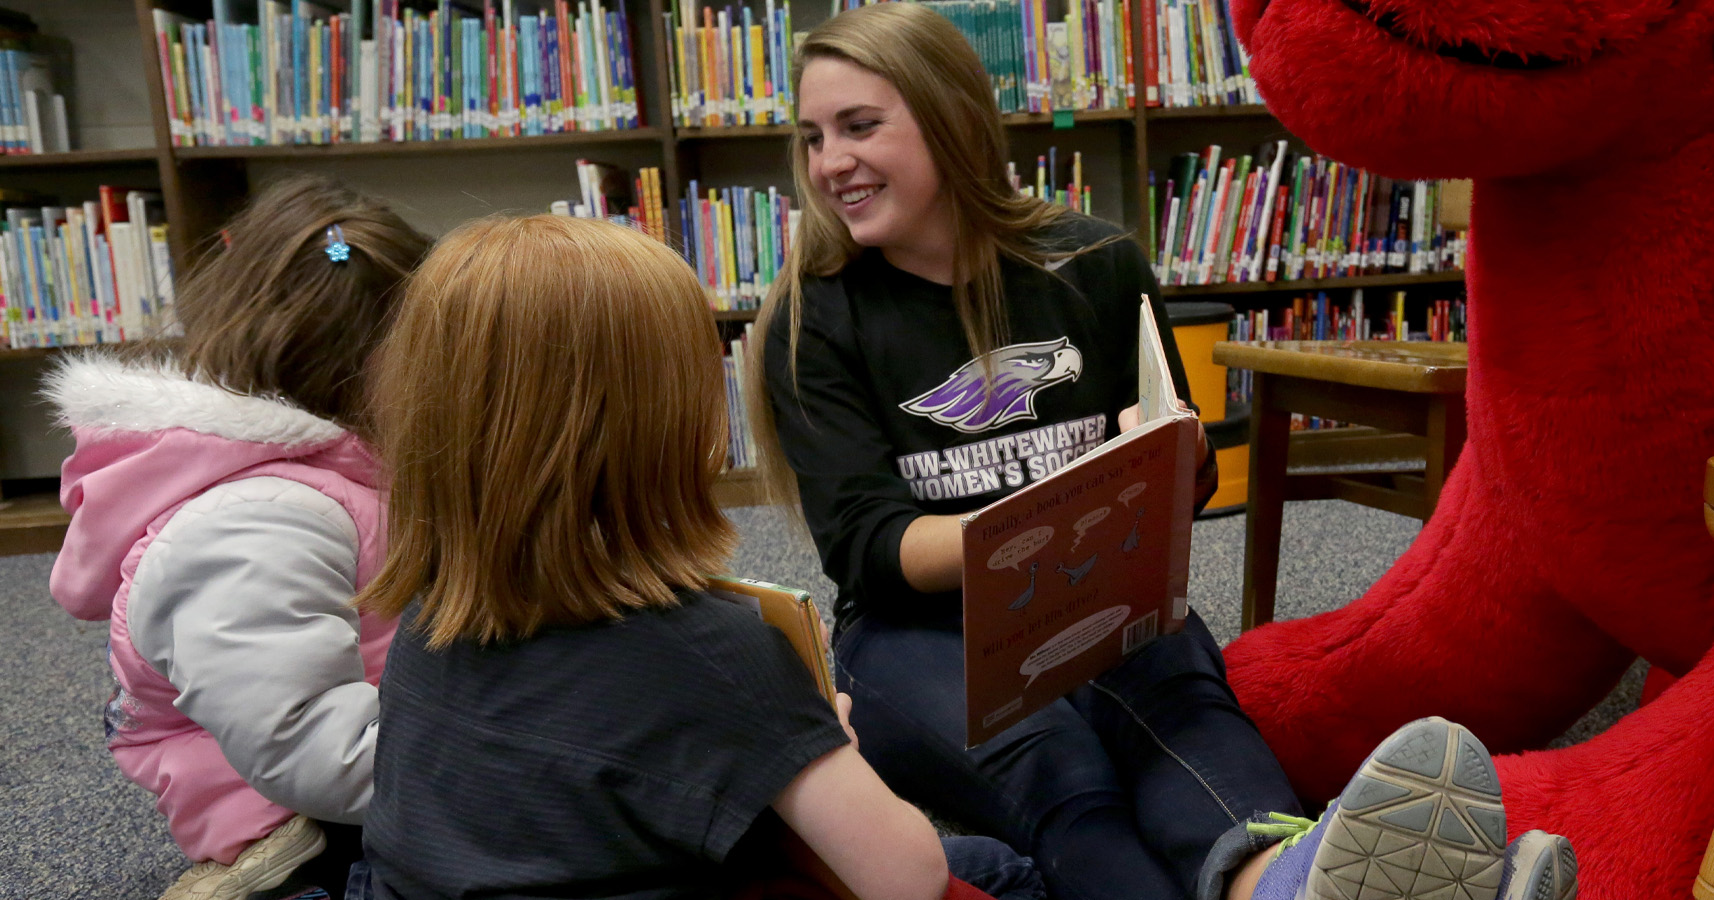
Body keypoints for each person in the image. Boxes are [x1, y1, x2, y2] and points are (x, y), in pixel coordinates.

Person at [751, 6, 1578, 900]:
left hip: (1097, 582)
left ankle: (1276, 880)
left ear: (949, 117)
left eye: (860, 126)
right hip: (912, 632)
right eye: (812, 137)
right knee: (1059, 763)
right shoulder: (812, 321)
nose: (830, 162)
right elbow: (869, 548)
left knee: (1179, 694)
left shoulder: (1095, 263)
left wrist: (1164, 467)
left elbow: (1185, 480)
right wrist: (1045, 521)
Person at [356, 214, 1046, 900]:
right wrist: (819, 739)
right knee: (998, 873)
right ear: (665, 424)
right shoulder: (720, 655)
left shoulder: (426, 619)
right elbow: (909, 879)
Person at [45, 175, 431, 900]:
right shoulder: (250, 522)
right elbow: (306, 745)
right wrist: (490, 767)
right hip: (290, 807)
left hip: (359, 732)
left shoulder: (340, 472)